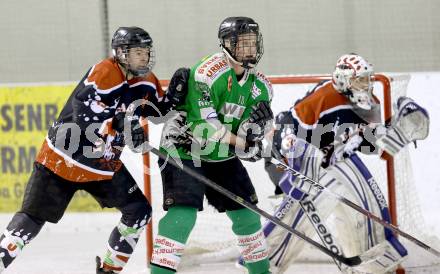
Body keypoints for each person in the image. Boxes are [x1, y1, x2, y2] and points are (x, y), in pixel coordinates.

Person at [0, 26, 187, 274]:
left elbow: (156, 111)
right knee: (32, 219)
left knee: (138, 211)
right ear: (121, 53)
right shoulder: (105, 70)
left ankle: (108, 270)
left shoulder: (147, 80)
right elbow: (84, 112)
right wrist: (121, 123)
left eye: (146, 52)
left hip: (101, 164)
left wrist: (174, 97)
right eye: (138, 52)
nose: (144, 57)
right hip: (65, 158)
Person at [261, 53, 430, 274]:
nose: (366, 84)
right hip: (290, 159)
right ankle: (264, 262)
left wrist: (394, 133)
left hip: (332, 159)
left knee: (367, 198)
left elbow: (368, 144)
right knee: (297, 208)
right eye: (359, 79)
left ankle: (375, 260)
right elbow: (285, 126)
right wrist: (294, 159)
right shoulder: (325, 97)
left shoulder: (370, 103)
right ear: (343, 79)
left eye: (367, 78)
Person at [150, 17, 274, 274]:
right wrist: (244, 144)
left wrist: (253, 138)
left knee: (248, 216)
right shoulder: (207, 72)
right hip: (184, 147)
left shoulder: (261, 86)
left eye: (253, 43)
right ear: (228, 44)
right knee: (182, 217)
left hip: (220, 154)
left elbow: (246, 133)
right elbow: (205, 128)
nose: (250, 49)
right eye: (243, 44)